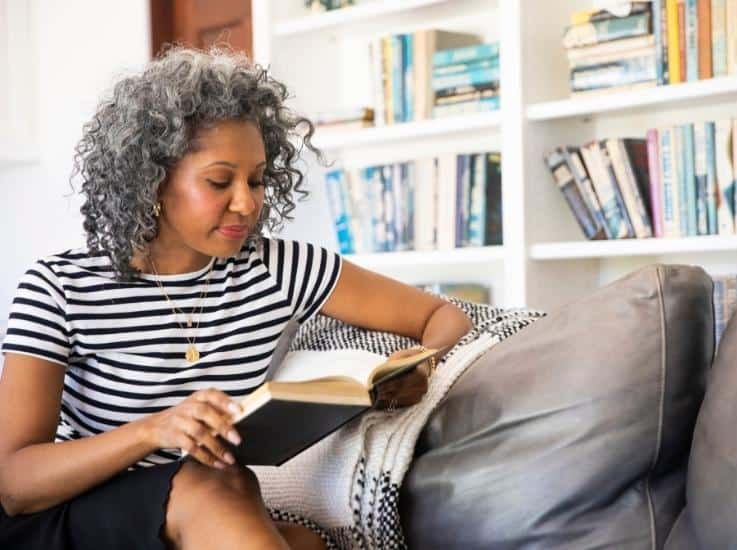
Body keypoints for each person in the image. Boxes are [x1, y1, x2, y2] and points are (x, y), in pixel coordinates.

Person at [0, 46, 473, 550]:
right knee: (212, 482)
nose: (246, 203)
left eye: (258, 179)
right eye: (219, 181)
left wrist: (422, 362)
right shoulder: (60, 287)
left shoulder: (278, 268)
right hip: (72, 516)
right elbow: (15, 483)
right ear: (151, 181)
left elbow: (442, 314)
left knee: (297, 538)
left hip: (206, 504)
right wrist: (153, 431)